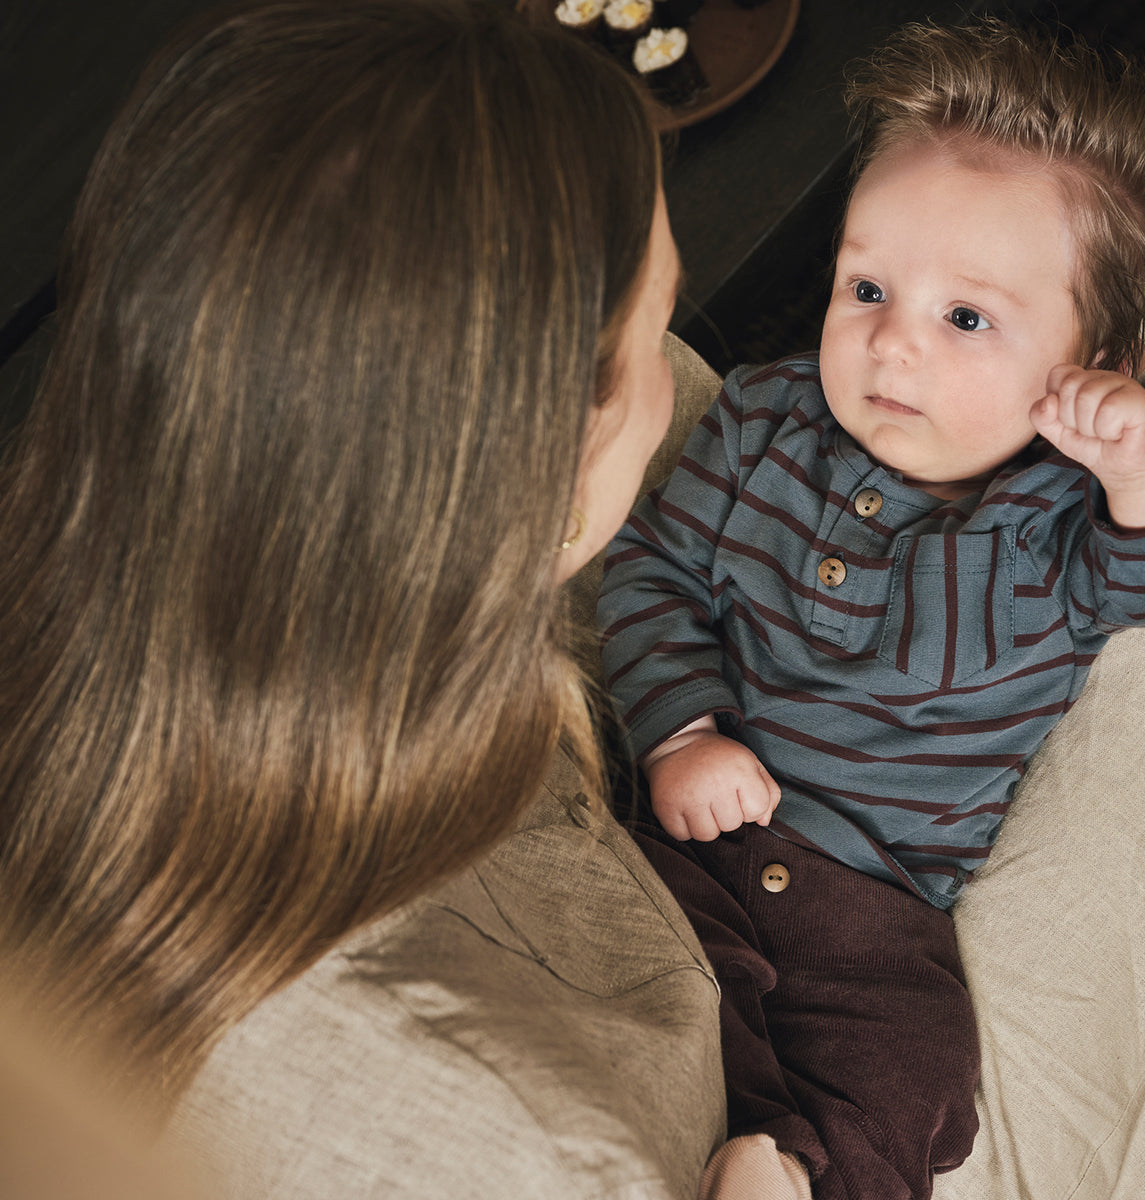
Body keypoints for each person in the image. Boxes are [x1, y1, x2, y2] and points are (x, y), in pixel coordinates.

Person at [0, 1, 729, 1194]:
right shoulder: (510, 1127)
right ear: (534, 475)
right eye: (659, 329)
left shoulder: (116, 539)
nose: (674, 371)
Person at [598, 19, 1145, 1200]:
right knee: (666, 982)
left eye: (965, 319)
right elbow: (651, 574)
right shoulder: (764, 421)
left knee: (925, 1081)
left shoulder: (1059, 518)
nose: (890, 344)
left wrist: (1141, 468)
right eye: (866, 286)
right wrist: (681, 733)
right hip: (697, 846)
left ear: (1096, 362)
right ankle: (752, 1145)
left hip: (873, 910)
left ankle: (803, 1173)